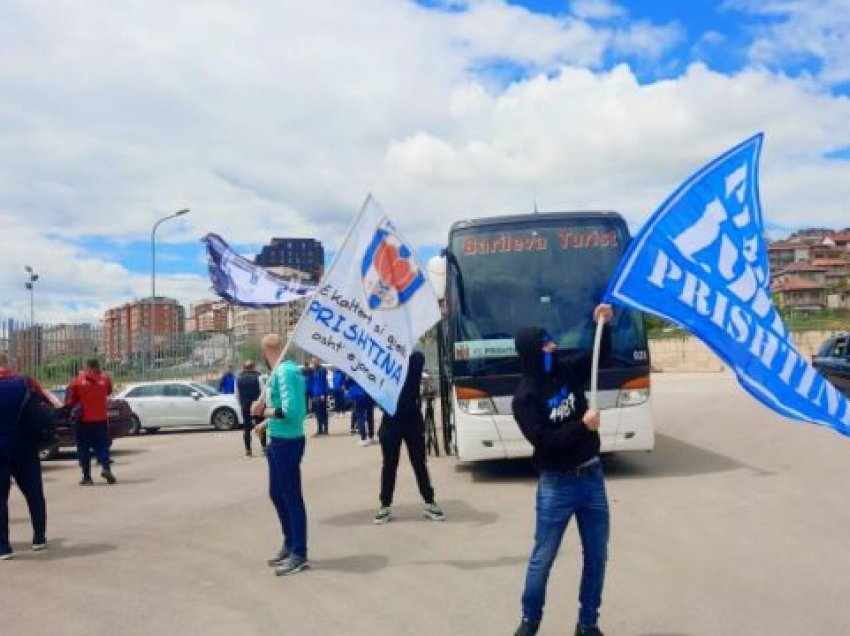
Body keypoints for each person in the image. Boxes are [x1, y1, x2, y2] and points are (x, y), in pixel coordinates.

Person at [513, 304, 613, 636]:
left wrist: (604, 324)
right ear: (532, 352)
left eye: (551, 341)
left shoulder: (567, 370)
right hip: (557, 485)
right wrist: (583, 427)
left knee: (597, 557)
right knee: (543, 559)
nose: (553, 347)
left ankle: (588, 624)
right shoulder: (524, 398)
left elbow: (601, 354)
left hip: (592, 478)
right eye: (545, 344)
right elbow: (544, 442)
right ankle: (530, 622)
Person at [252, 334, 309, 576]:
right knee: (277, 493)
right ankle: (289, 542)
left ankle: (299, 552)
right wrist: (265, 425)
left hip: (287, 442)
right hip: (279, 439)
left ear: (267, 352)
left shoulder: (284, 372)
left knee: (291, 496)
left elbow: (291, 410)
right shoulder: (285, 371)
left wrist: (262, 411)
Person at [373, 351, 444, 524]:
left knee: (419, 463)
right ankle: (385, 504)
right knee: (389, 465)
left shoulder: (414, 359)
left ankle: (429, 501)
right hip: (391, 420)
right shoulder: (383, 361)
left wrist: (401, 351)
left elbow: (418, 358)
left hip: (412, 418)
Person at [0, 353, 55, 559]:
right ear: (8, 363)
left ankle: (3, 548)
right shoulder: (25, 382)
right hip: (25, 446)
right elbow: (47, 404)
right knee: (34, 493)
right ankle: (39, 538)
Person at [66, 359, 116, 486]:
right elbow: (109, 391)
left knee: (84, 448)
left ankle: (87, 477)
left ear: (86, 366)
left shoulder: (77, 381)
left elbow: (70, 401)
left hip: (83, 421)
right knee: (102, 446)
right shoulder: (105, 379)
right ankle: (106, 468)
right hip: (101, 419)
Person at [235, 361, 264, 456]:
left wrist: (242, 404)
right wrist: (262, 403)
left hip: (245, 405)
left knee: (247, 428)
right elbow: (263, 391)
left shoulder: (238, 378)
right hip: (257, 404)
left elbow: (237, 394)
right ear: (253, 367)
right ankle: (264, 448)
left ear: (244, 367)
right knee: (261, 425)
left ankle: (248, 450)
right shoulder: (258, 377)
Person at [346, 377, 375, 447]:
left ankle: (363, 438)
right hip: (369, 393)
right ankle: (371, 436)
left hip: (358, 395)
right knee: (370, 416)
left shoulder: (352, 369)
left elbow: (347, 384)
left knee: (360, 416)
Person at [306, 357, 330, 436]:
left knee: (323, 411)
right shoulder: (312, 371)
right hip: (314, 394)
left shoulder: (322, 370)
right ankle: (319, 429)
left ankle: (325, 429)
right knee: (317, 412)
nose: (313, 363)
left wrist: (323, 393)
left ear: (318, 361)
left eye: (315, 361)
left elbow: (324, 382)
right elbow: (310, 382)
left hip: (321, 394)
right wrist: (310, 393)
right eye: (313, 361)